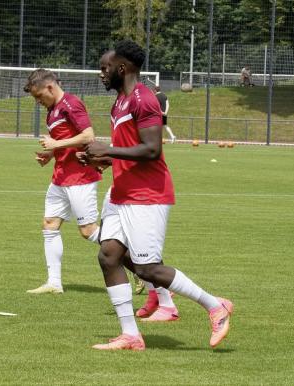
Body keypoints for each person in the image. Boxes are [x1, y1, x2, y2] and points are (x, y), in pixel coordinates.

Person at [81, 41, 233, 350]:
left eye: (105, 68)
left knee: (148, 268)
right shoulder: (119, 103)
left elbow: (152, 150)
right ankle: (131, 335)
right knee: (109, 255)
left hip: (147, 195)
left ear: (122, 68)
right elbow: (129, 149)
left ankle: (215, 306)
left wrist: (107, 148)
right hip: (122, 193)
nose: (102, 74)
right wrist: (104, 160)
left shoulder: (144, 99)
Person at [22, 69, 102, 294]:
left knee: (88, 231)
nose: (38, 102)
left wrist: (55, 145)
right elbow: (65, 142)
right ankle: (54, 283)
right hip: (61, 176)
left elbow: (88, 136)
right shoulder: (52, 111)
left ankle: (139, 264)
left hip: (80, 177)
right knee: (49, 224)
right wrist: (50, 154)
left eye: (39, 96)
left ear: (50, 87)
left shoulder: (71, 103)